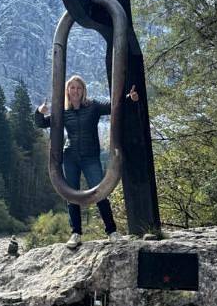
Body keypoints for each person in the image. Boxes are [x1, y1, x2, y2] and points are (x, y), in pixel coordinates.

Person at [35, 74, 139, 248]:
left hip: (90, 157)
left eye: (79, 88)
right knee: (71, 194)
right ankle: (76, 233)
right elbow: (41, 123)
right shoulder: (62, 111)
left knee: (100, 193)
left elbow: (113, 107)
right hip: (70, 158)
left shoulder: (93, 106)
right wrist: (39, 111)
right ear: (67, 90)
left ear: (83, 90)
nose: (75, 91)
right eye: (72, 87)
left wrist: (130, 98)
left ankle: (112, 232)